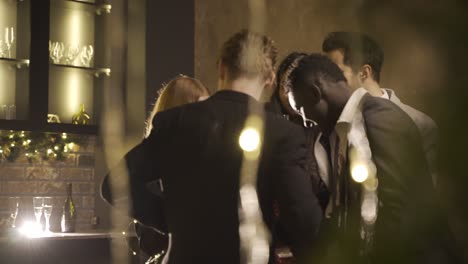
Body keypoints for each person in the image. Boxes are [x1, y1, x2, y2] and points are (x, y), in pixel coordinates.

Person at [102, 30, 322, 264]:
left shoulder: (175, 122)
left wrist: (172, 221)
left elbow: (114, 185)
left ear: (221, 67)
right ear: (270, 79)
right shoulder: (282, 134)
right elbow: (304, 223)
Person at [285, 53, 450, 263]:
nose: (306, 122)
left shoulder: (379, 117)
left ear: (315, 92)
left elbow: (396, 211)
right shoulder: (344, 129)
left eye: (301, 109)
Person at [322, 31, 439, 185]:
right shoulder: (333, 124)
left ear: (364, 73)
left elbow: (425, 193)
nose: (326, 82)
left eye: (336, 73)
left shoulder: (419, 124)